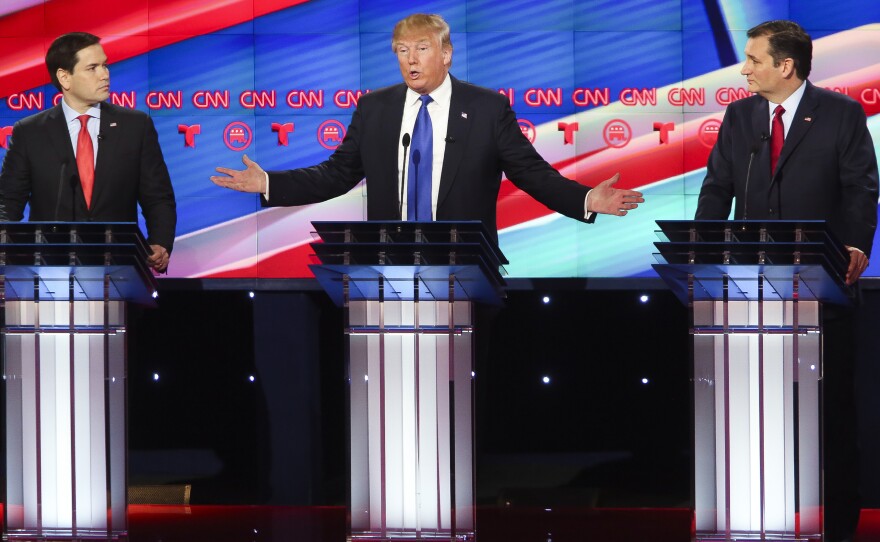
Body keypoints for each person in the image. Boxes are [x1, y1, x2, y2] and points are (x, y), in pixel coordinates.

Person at [210, 13, 643, 243]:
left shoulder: (488, 109)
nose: (410, 60)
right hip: (386, 270)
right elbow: (336, 174)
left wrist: (586, 198)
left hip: (465, 271)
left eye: (421, 49)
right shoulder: (375, 109)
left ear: (446, 53)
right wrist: (270, 182)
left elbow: (532, 174)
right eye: (402, 50)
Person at [696, 20, 879, 542]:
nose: (744, 68)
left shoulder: (841, 114)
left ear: (785, 66)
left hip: (823, 289)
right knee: (757, 415)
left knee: (831, 419)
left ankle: (839, 528)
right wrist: (703, 252)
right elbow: (717, 189)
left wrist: (855, 244)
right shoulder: (739, 115)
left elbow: (860, 189)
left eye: (753, 59)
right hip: (752, 292)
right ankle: (758, 519)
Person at [0, 32, 177, 272]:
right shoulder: (30, 132)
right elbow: (8, 203)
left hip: (118, 268)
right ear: (65, 77)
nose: (105, 74)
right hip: (49, 269)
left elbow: (157, 196)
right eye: (92, 68)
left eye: (105, 65)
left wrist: (160, 242)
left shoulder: (135, 126)